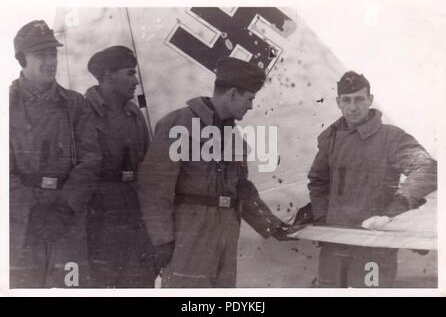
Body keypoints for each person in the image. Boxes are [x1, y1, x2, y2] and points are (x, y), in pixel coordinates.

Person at [138, 57, 290, 288]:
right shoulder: (179, 124)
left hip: (226, 234)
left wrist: (272, 225)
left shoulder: (233, 134)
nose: (250, 106)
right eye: (249, 99)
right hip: (189, 236)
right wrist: (162, 240)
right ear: (231, 94)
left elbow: (241, 188)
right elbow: (154, 187)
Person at [306, 71, 437, 287]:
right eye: (346, 100)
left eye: (359, 99)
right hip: (335, 244)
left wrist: (392, 212)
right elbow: (317, 182)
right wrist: (322, 221)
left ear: (370, 100)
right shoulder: (331, 139)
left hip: (374, 246)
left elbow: (428, 169)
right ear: (338, 102)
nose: (353, 107)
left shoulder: (392, 137)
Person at [10, 20, 101, 288]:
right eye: (41, 54)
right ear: (22, 59)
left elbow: (90, 161)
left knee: (69, 287)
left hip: (67, 221)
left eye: (53, 53)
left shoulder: (75, 104)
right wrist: (34, 209)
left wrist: (64, 209)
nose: (50, 61)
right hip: (21, 223)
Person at [85, 46, 155, 287]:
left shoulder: (134, 113)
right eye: (129, 73)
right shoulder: (82, 113)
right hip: (100, 220)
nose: (136, 81)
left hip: (135, 216)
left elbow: (148, 168)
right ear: (107, 75)